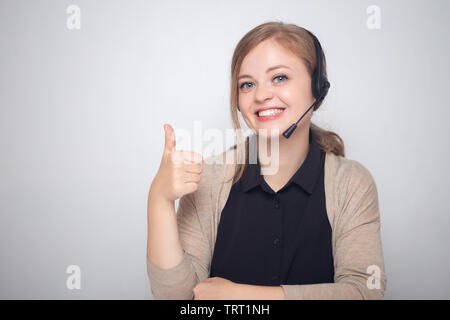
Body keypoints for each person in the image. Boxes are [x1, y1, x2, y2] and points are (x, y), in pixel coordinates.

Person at [146, 21, 387, 300]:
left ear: (318, 88)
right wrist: (159, 200)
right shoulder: (209, 178)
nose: (260, 95)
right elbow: (178, 299)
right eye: (247, 84)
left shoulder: (351, 183)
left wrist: (242, 297)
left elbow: (363, 292)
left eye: (280, 78)